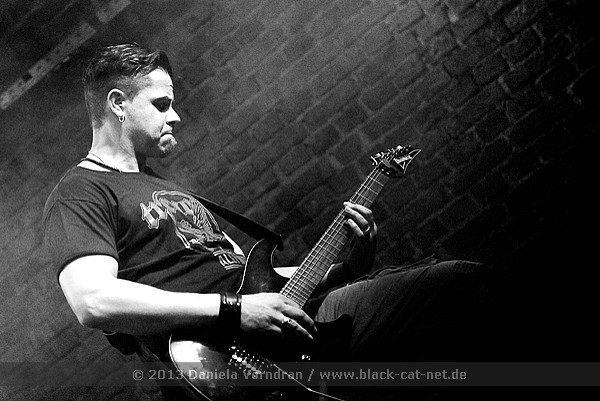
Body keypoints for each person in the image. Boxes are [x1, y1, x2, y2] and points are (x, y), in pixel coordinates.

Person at [43, 43, 489, 400]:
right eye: (161, 104)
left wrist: (346, 267)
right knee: (460, 288)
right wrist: (236, 311)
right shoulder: (80, 190)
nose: (175, 116)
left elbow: (255, 282)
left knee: (461, 292)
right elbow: (93, 301)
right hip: (224, 362)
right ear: (118, 104)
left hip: (281, 326)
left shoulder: (161, 184)